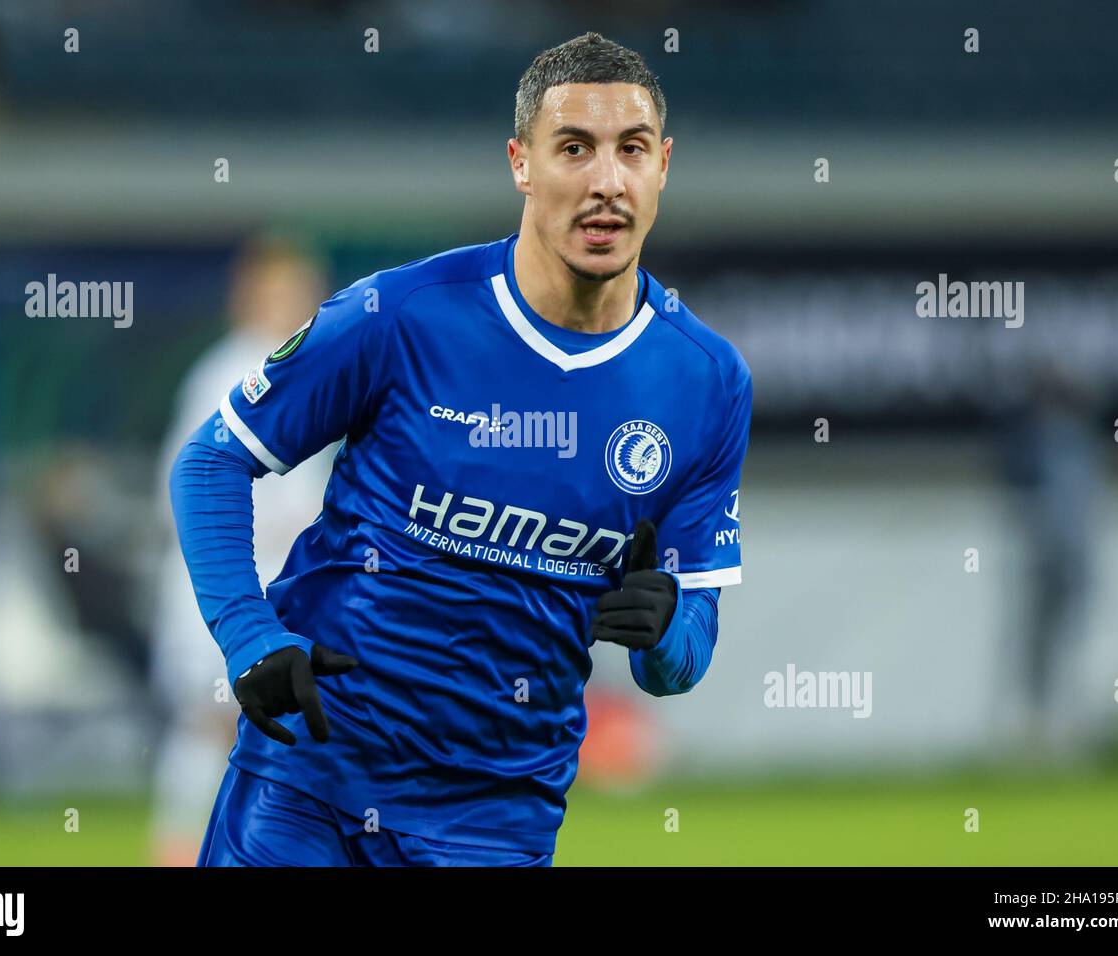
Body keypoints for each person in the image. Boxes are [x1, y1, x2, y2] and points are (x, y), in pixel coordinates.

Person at [170, 32, 753, 866]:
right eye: (574, 149)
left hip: (493, 820)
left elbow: (685, 652)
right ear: (521, 163)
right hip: (313, 780)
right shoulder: (400, 317)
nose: (605, 182)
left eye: (630, 151)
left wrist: (666, 634)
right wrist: (249, 637)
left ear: (663, 164)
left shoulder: (706, 381)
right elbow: (212, 461)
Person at [149, 237, 335, 865]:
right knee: (220, 728)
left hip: (255, 591)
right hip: (223, 591)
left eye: (304, 288)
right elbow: (188, 484)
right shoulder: (235, 371)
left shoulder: (286, 365)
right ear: (249, 294)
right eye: (284, 289)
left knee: (233, 736)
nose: (297, 302)